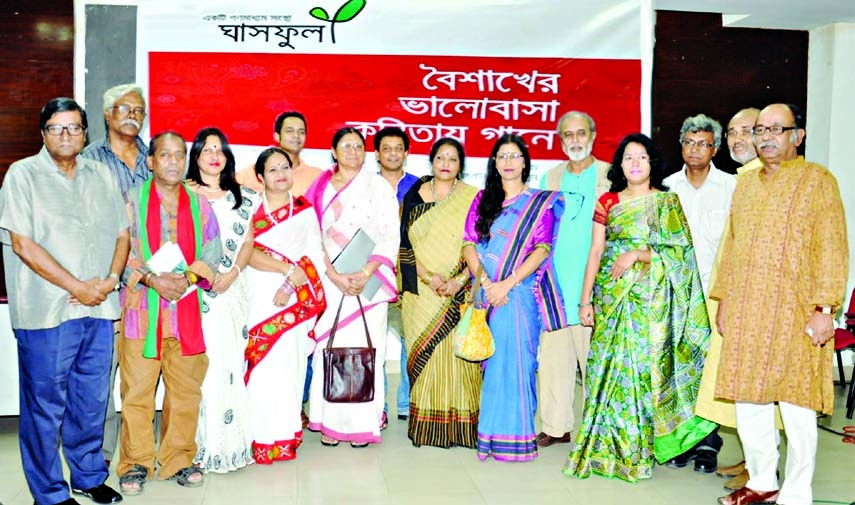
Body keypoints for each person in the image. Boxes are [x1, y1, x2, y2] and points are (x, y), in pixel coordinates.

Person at [713, 104, 848, 505]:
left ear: (797, 136)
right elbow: (732, 247)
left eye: (776, 129)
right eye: (760, 129)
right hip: (749, 310)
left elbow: (833, 248)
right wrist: (723, 300)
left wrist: (825, 309)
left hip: (797, 314)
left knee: (797, 404)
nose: (766, 137)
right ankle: (761, 481)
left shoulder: (818, 181)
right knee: (749, 399)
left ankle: (795, 493)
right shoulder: (748, 185)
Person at [563, 133, 716, 482]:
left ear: (652, 164)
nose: (634, 163)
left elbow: (681, 254)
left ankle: (641, 448)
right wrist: (585, 300)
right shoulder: (608, 202)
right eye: (628, 157)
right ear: (619, 165)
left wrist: (639, 254)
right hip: (612, 296)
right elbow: (596, 252)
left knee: (644, 373)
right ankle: (605, 447)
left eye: (642, 158)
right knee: (608, 370)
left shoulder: (667, 203)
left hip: (654, 302)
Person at [0, 97, 127, 505]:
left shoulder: (101, 174)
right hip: (46, 314)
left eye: (74, 127)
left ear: (85, 132)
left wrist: (108, 281)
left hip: (100, 308)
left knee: (91, 402)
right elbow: (22, 243)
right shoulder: (23, 175)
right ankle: (50, 493)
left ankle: (88, 476)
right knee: (44, 409)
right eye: (56, 128)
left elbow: (123, 234)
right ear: (43, 133)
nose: (66, 135)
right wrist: (77, 286)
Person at [117, 132, 222, 494]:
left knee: (185, 392)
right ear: (150, 161)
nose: (174, 162)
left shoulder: (200, 205)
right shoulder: (130, 201)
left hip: (186, 311)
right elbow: (117, 253)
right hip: (141, 314)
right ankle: (135, 463)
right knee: (137, 394)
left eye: (180, 155)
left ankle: (178, 457)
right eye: (165, 155)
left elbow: (213, 252)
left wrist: (188, 277)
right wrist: (151, 280)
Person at [461, 133, 565, 462]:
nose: (508, 162)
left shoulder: (539, 203)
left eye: (514, 156)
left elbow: (543, 249)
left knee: (518, 365)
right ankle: (490, 437)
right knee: (492, 369)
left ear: (525, 163)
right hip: (487, 292)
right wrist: (488, 282)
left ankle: (515, 440)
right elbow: (468, 244)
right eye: (502, 156)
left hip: (518, 296)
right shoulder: (483, 200)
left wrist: (506, 284)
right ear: (494, 163)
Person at [303, 127, 399, 448]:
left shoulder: (379, 186)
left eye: (359, 146)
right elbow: (310, 235)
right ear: (333, 151)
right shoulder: (319, 187)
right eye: (346, 146)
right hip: (332, 281)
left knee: (366, 351)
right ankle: (331, 423)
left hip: (369, 279)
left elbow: (389, 233)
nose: (353, 152)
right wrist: (333, 274)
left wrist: (365, 270)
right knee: (330, 350)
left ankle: (361, 424)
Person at [80, 84, 152, 469]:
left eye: (139, 110)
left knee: (141, 379)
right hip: (108, 286)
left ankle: (138, 454)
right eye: (124, 109)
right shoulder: (88, 159)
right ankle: (97, 457)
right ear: (107, 115)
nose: (133, 116)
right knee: (99, 380)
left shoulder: (154, 159)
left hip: (150, 289)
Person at [694, 107, 765, 492]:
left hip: (748, 305)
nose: (738, 139)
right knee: (738, 386)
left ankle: (761, 472)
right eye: (733, 132)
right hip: (726, 299)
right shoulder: (745, 180)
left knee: (755, 388)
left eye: (747, 131)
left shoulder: (766, 180)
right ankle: (753, 461)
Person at [661, 114, 735, 473]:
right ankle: (680, 441)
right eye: (689, 142)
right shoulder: (666, 187)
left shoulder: (731, 187)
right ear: (681, 145)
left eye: (703, 143)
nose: (695, 150)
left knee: (708, 374)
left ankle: (707, 443)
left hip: (712, 296)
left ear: (715, 149)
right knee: (676, 372)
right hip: (673, 297)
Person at [244, 147, 327, 463]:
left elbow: (314, 257)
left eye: (286, 168)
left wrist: (291, 282)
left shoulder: (305, 211)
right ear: (260, 176)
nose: (281, 174)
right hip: (256, 298)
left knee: (289, 369)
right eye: (273, 169)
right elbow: (245, 253)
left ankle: (282, 438)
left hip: (293, 302)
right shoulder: (249, 210)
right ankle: (254, 436)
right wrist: (284, 271)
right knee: (259, 367)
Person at [400, 137, 481, 448]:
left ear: (461, 165)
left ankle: (462, 428)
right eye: (440, 157)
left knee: (459, 357)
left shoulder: (473, 197)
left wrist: (460, 280)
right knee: (427, 356)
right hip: (421, 291)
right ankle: (427, 429)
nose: (446, 163)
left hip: (459, 289)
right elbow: (403, 244)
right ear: (431, 161)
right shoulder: (413, 194)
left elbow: (480, 244)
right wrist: (430, 278)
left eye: (453, 158)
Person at [536, 111, 610, 448]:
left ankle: (600, 431)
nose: (575, 140)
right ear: (560, 139)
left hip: (593, 288)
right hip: (554, 286)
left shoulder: (611, 175)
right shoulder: (550, 178)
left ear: (593, 135)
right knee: (553, 361)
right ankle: (555, 426)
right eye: (568, 135)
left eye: (581, 133)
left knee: (595, 363)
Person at [185, 127, 256, 473]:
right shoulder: (183, 195)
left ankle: (230, 444)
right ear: (195, 157)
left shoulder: (243, 197)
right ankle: (198, 446)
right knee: (200, 370)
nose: (214, 155)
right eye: (206, 149)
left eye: (220, 150)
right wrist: (205, 277)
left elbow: (247, 244)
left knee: (228, 367)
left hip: (232, 293)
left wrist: (232, 275)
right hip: (193, 295)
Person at [374, 126, 420, 422]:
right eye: (386, 148)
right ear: (376, 153)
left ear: (406, 152)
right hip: (373, 272)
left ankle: (405, 402)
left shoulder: (420, 186)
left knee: (408, 337)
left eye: (398, 148)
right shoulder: (365, 185)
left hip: (410, 272)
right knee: (374, 337)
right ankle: (378, 406)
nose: (392, 153)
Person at [236, 111, 322, 196]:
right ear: (277, 136)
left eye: (301, 132)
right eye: (289, 131)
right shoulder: (253, 173)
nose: (296, 135)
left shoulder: (317, 177)